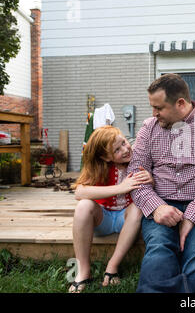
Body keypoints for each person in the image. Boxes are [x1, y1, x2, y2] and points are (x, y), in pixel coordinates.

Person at [128, 73, 195, 293]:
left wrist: (191, 216)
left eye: (159, 108)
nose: (154, 113)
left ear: (180, 103)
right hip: (162, 202)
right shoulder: (149, 128)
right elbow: (134, 174)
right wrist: (156, 207)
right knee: (159, 248)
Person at [70, 125, 150, 293]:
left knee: (137, 208)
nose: (125, 149)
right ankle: (83, 271)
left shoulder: (137, 161)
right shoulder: (99, 167)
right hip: (103, 218)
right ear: (106, 157)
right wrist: (121, 187)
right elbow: (79, 192)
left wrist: (151, 179)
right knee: (83, 205)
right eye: (117, 150)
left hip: (127, 221)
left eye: (124, 142)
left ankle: (112, 266)